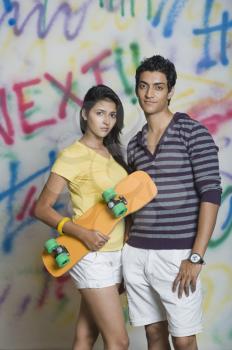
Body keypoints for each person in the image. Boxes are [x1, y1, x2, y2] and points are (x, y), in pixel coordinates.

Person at [122, 55, 221, 350]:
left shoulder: (193, 132)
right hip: (137, 253)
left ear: (170, 91)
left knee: (184, 340)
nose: (149, 94)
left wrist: (195, 256)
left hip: (177, 254)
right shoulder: (134, 144)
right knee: (154, 334)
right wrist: (127, 236)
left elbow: (211, 194)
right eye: (143, 86)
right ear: (137, 89)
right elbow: (132, 200)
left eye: (158, 87)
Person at [34, 85, 129, 350]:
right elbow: (42, 208)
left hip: (117, 253)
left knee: (86, 336)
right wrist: (81, 233)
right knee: (119, 342)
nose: (107, 121)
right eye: (100, 113)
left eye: (112, 115)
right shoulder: (72, 155)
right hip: (91, 256)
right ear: (85, 113)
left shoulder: (112, 153)